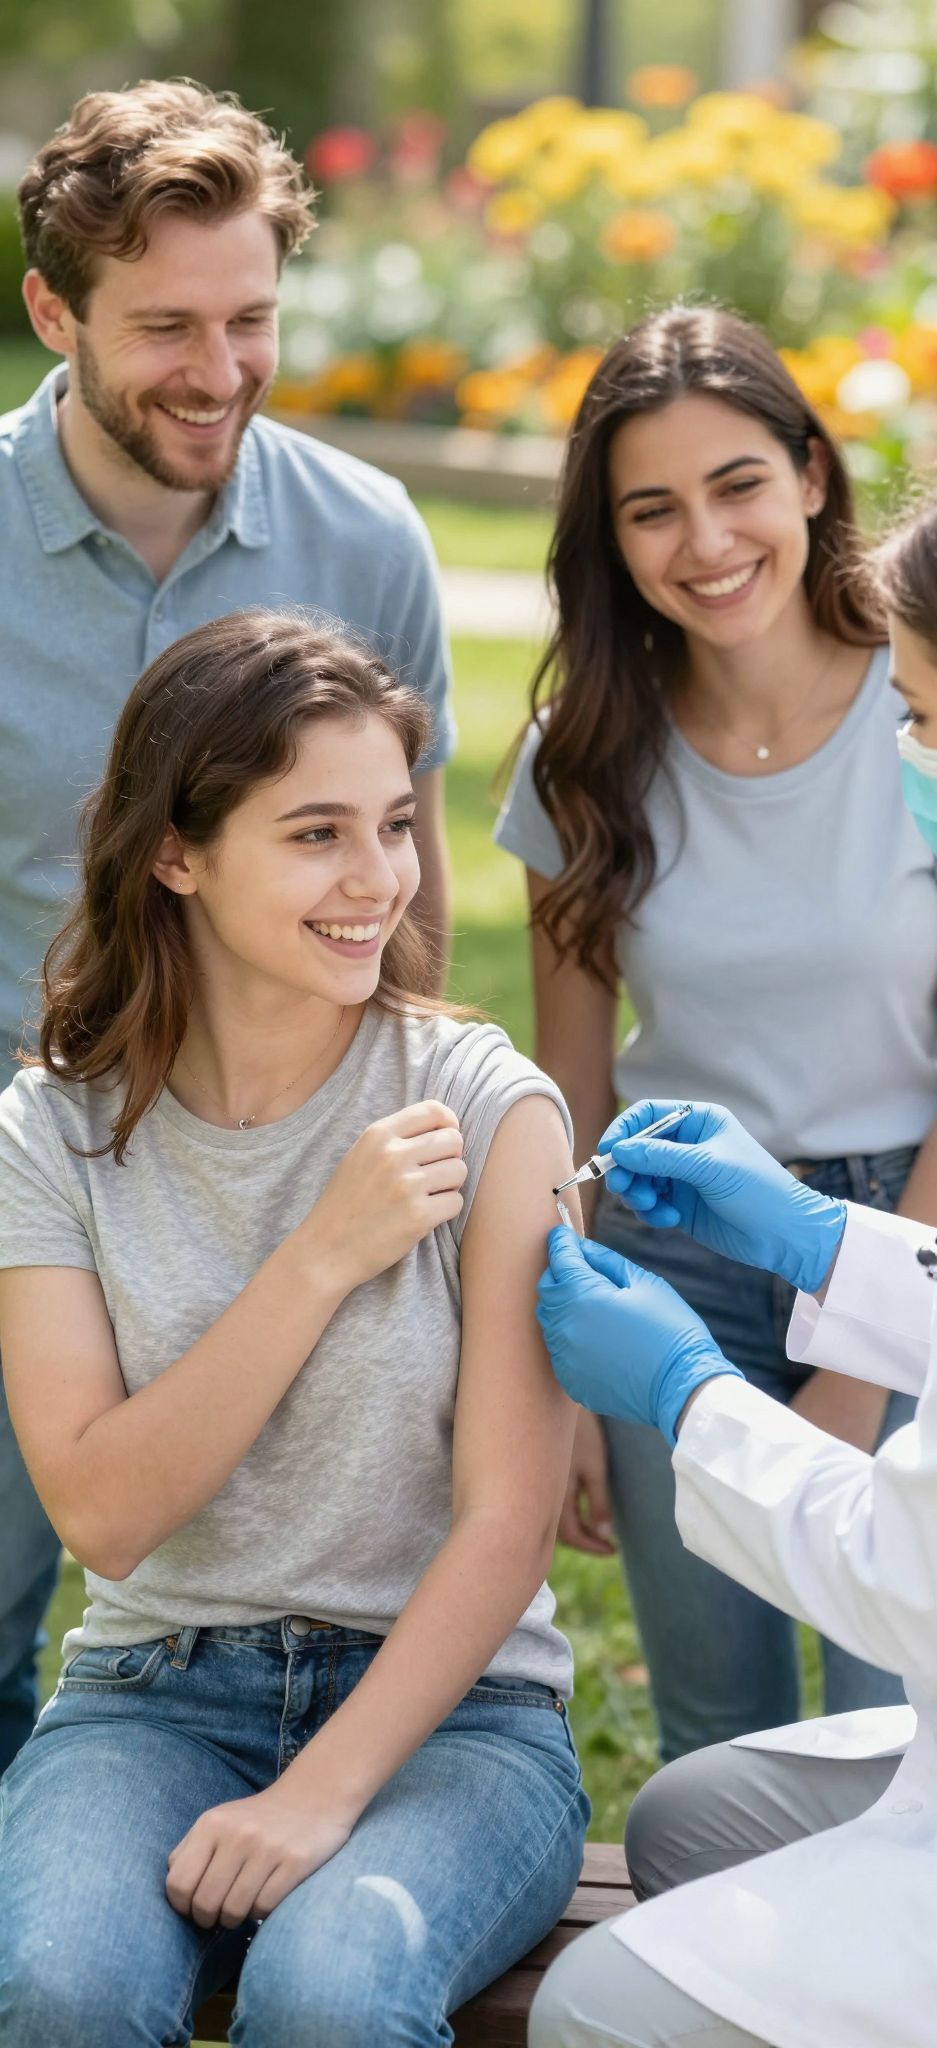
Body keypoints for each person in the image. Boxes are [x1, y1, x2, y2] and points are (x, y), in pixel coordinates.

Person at [529, 436, 937, 2048]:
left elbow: (925, 1578)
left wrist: (684, 1391)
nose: (914, 754)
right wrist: (822, 1242)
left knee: (594, 2006)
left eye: (928, 717)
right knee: (692, 1818)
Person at [0, 613, 588, 2048]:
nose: (379, 878)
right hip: (154, 1696)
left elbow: (509, 1521)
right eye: (317, 834)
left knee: (334, 1994)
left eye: (392, 824)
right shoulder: (50, 1131)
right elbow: (104, 1515)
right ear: (175, 852)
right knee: (63, 1989)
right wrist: (320, 1256)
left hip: (461, 1718)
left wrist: (319, 1793)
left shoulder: (489, 1107)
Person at [494, 305, 937, 1760]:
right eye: (652, 510)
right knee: (719, 1736)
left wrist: (860, 1365)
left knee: (902, 1728)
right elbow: (568, 1085)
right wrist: (568, 1378)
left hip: (914, 1230)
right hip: (675, 1252)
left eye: (737, 485)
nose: (706, 542)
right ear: (611, 539)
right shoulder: (581, 759)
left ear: (809, 474)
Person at [0, 78, 456, 1774]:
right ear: (54, 313)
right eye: (165, 328)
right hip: (27, 1164)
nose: (217, 370)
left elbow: (404, 880)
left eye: (249, 319)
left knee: (284, 1595)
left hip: (290, 1165)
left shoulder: (364, 537)